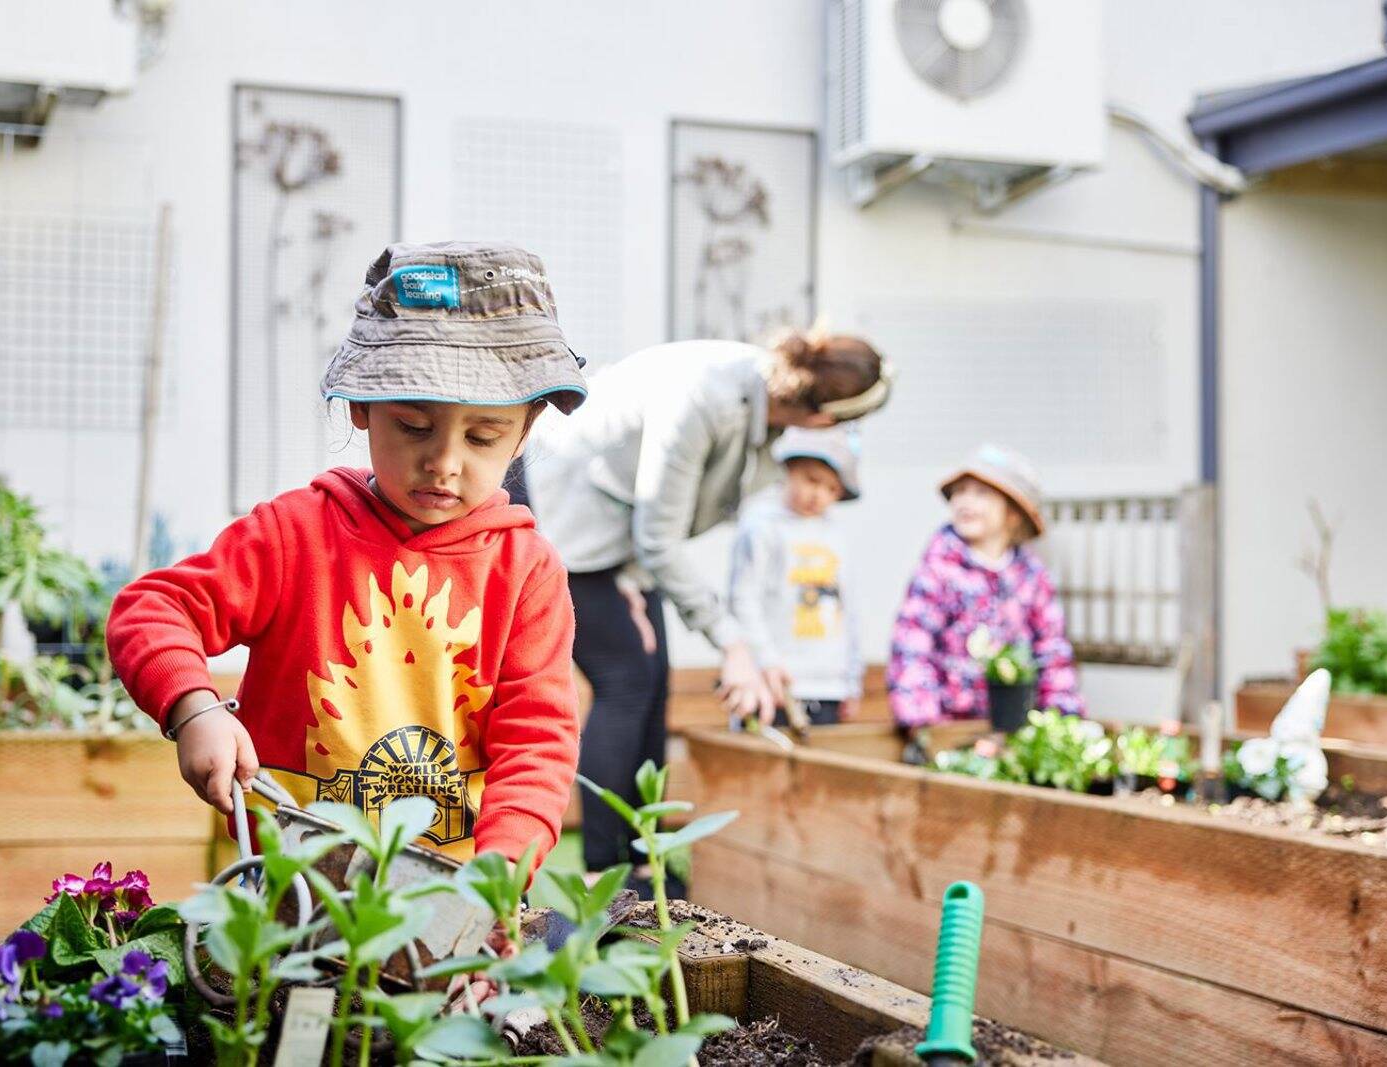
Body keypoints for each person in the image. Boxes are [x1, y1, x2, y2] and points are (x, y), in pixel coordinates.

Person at [108, 241, 587, 871]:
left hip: (448, 897)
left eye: (481, 437)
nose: (444, 462)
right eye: (414, 427)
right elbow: (152, 608)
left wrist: (496, 883)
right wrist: (193, 709)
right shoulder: (293, 535)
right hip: (287, 887)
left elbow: (536, 745)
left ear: (523, 432)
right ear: (361, 406)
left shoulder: (526, 573)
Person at [523, 328, 891, 879]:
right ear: (821, 417)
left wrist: (640, 581)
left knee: (652, 678)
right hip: (562, 515)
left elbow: (656, 521)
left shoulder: (766, 403)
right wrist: (733, 646)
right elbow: (658, 532)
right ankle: (603, 871)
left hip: (620, 535)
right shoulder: (704, 398)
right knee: (625, 679)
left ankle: (643, 860)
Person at [887, 444, 1083, 728]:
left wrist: (1062, 717)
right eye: (961, 491)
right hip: (952, 722)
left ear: (1013, 513)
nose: (966, 502)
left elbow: (1051, 648)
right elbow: (913, 639)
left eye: (981, 493)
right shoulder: (940, 567)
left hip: (1017, 723)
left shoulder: (1030, 577)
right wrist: (921, 716)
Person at [727, 427, 865, 728]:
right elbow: (743, 599)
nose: (819, 495)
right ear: (790, 468)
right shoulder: (762, 526)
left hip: (828, 685)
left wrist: (851, 680)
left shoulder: (836, 537)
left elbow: (848, 609)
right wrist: (765, 659)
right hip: (771, 681)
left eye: (831, 489)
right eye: (812, 480)